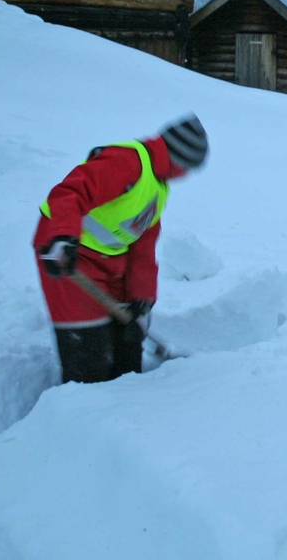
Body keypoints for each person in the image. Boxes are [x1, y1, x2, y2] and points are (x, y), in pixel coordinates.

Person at [34, 115, 208, 383]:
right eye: (190, 168)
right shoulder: (127, 161)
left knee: (129, 343)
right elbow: (69, 193)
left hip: (111, 263)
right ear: (180, 160)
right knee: (90, 349)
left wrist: (142, 296)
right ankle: (79, 414)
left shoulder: (157, 187)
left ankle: (129, 407)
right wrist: (62, 236)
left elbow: (143, 244)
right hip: (68, 254)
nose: (188, 176)